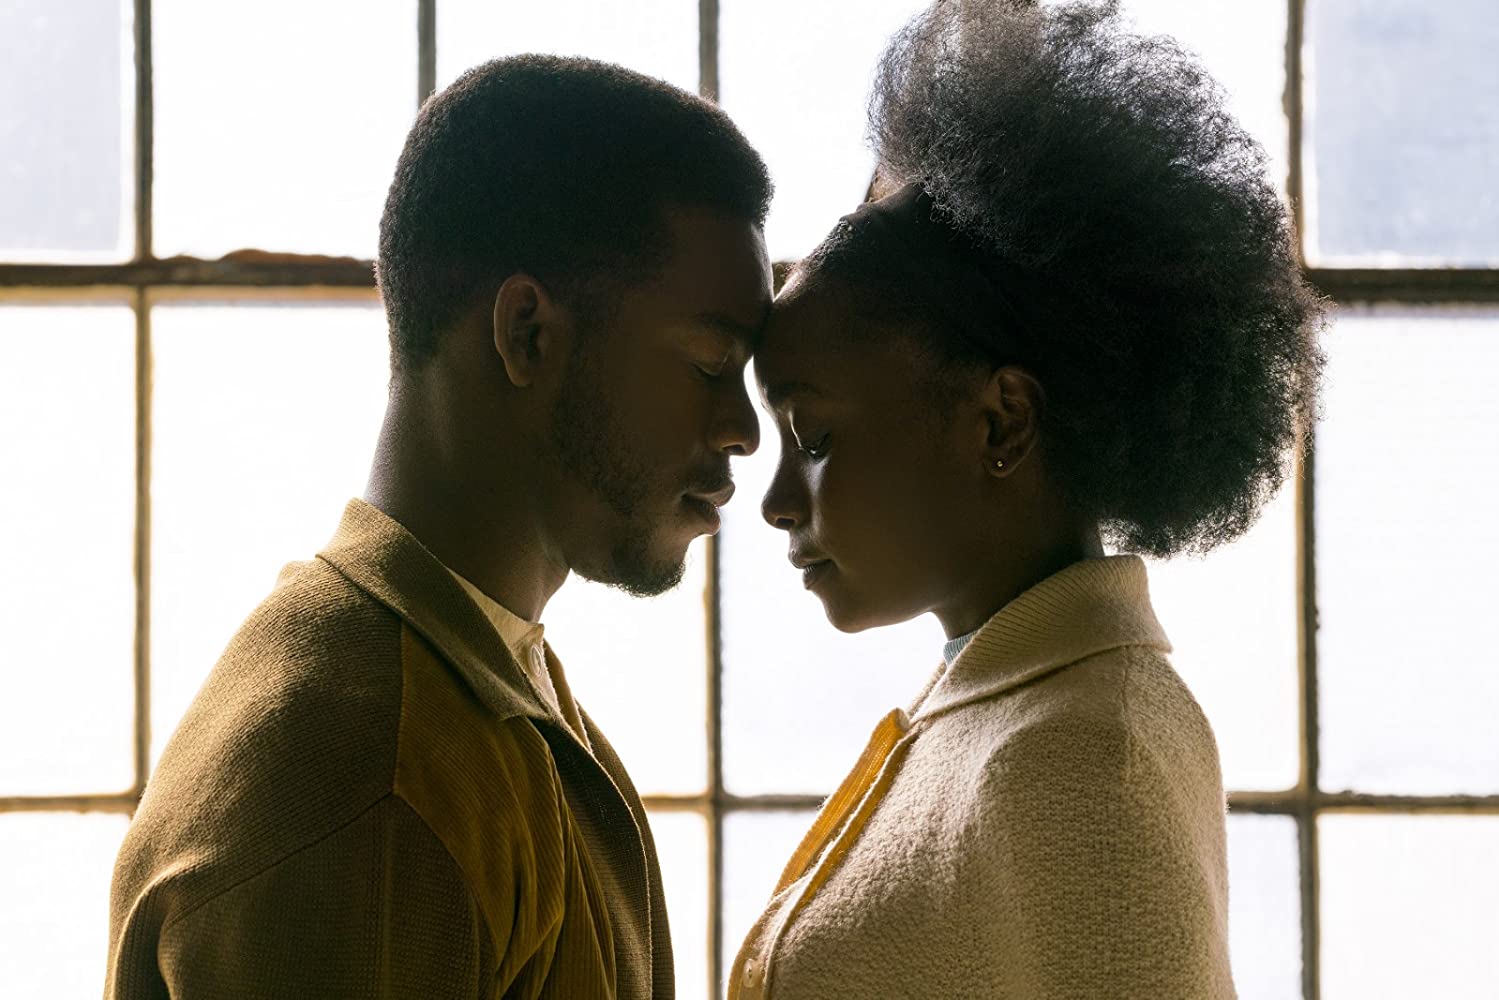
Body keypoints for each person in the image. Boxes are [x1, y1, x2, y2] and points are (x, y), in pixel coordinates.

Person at [107, 55, 772, 999]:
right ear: (527, 333)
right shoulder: (373, 779)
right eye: (712, 360)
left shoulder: (469, 694)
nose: (744, 430)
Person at [731, 1, 1325, 997]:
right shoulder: (1013, 704)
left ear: (1001, 422)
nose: (778, 502)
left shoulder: (1081, 758)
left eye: (815, 438)